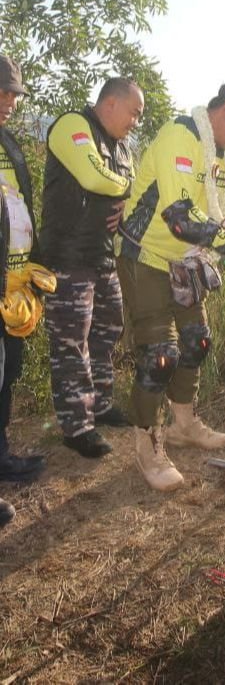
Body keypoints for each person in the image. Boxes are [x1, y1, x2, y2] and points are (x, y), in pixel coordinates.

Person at [116, 76, 225, 491]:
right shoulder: (180, 136)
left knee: (197, 341)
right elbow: (180, 216)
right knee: (160, 355)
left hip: (185, 260)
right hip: (145, 255)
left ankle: (183, 425)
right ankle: (148, 444)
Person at [40, 78, 143, 457]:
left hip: (100, 255)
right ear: (111, 103)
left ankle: (99, 404)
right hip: (67, 256)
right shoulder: (72, 125)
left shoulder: (121, 146)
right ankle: (76, 426)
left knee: (108, 328)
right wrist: (122, 187)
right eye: (134, 113)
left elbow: (125, 183)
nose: (135, 122)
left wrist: (121, 190)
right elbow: (92, 177)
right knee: (71, 341)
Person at [0, 54, 46, 499]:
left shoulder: (8, 143)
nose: (11, 100)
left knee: (7, 371)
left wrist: (31, 264)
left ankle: (2, 456)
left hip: (13, 286)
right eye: (4, 91)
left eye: (14, 93)